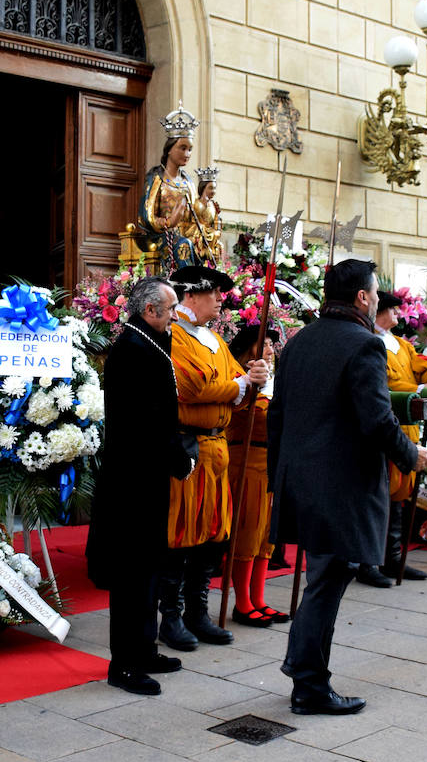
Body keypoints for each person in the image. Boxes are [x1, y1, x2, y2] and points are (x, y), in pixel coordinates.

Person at [269, 259, 427, 716]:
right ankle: (310, 686)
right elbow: (376, 419)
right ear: (362, 297)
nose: (379, 298)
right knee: (328, 581)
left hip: (300, 479)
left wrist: (279, 479)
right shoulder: (365, 345)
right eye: (376, 291)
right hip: (339, 485)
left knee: (323, 579)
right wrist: (410, 455)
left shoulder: (299, 341)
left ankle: (301, 666)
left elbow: (277, 414)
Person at [86, 277, 192, 695]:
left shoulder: (146, 342)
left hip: (146, 478)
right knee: (132, 574)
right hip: (132, 481)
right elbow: (148, 420)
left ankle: (144, 649)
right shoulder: (133, 349)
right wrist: (179, 457)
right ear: (150, 311)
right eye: (170, 310)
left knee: (150, 566)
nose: (174, 317)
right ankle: (124, 665)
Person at [160, 264, 268, 652]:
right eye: (215, 293)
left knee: (213, 535)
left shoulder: (216, 341)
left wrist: (252, 379)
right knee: (181, 534)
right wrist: (240, 384)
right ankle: (170, 617)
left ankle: (197, 613)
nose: (221, 301)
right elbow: (193, 386)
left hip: (218, 449)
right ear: (191, 295)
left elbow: (237, 389)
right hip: (187, 450)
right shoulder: (174, 338)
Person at [355, 290, 427, 588]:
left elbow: (423, 370)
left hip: (407, 428)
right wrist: (417, 387)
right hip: (383, 426)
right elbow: (387, 384)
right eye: (394, 310)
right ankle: (368, 562)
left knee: (401, 495)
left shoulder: (404, 345)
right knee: (378, 496)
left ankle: (393, 557)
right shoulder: (368, 340)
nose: (397, 316)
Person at [223, 324, 286, 627]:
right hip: (246, 459)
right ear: (250, 347)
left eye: (273, 344)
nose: (272, 350)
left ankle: (258, 598)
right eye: (267, 344)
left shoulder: (275, 380)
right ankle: (242, 603)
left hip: (272, 461)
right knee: (248, 530)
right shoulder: (238, 377)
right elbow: (251, 414)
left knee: (266, 535)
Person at [140, 102, 201, 275]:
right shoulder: (156, 178)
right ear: (169, 149)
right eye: (183, 148)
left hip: (187, 236)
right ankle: (188, 291)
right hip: (160, 238)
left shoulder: (188, 182)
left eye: (190, 149)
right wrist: (169, 222)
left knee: (198, 246)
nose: (187, 154)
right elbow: (146, 216)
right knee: (183, 245)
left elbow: (196, 214)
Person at [189, 167, 226, 266]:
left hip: (211, 234)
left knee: (220, 246)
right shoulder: (196, 203)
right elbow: (191, 220)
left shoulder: (213, 205)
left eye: (214, 188)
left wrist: (217, 230)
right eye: (210, 188)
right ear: (203, 188)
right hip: (198, 232)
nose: (213, 191)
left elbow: (216, 220)